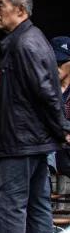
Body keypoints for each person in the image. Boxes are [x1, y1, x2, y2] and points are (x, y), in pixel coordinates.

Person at [0, 0, 70, 233]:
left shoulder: (24, 43)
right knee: (37, 207)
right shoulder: (32, 39)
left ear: (20, 11)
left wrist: (63, 129)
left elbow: (46, 92)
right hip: (34, 139)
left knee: (11, 206)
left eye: (1, 6)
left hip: (21, 141)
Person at [52, 36, 70, 181]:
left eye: (62, 62)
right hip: (51, 146)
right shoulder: (46, 87)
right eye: (54, 62)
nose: (56, 67)